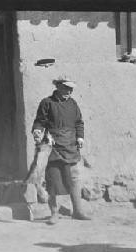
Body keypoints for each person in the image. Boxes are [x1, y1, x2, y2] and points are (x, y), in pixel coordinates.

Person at [32, 77, 91, 224]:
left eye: (71, 89)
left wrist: (80, 138)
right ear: (58, 87)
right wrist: (38, 131)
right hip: (53, 146)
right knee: (52, 180)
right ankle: (54, 213)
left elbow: (79, 122)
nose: (69, 92)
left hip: (71, 146)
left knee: (74, 179)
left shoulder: (72, 104)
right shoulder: (47, 103)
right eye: (66, 88)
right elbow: (40, 121)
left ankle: (77, 211)